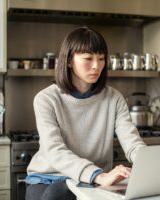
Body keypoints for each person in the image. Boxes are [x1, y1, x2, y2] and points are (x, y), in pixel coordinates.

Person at [25, 26, 146, 200]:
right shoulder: (46, 99)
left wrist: (150, 165)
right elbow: (55, 151)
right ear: (68, 61)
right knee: (56, 194)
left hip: (93, 181)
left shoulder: (114, 98)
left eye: (101, 58)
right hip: (49, 177)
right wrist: (98, 175)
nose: (97, 66)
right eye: (88, 58)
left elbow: (132, 142)